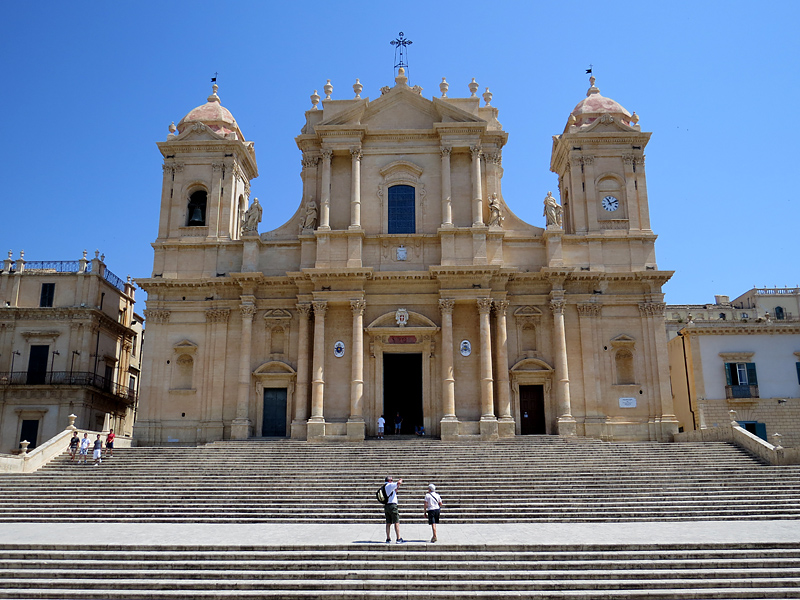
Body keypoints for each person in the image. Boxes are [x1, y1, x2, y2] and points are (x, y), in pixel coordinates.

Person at [383, 476, 404, 544]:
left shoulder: (384, 486)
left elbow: (395, 490)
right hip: (392, 505)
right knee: (396, 522)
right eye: (391, 480)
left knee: (388, 523)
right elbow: (398, 483)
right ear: (389, 480)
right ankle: (398, 538)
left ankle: (388, 538)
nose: (392, 481)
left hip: (386, 505)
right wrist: (400, 480)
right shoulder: (390, 485)